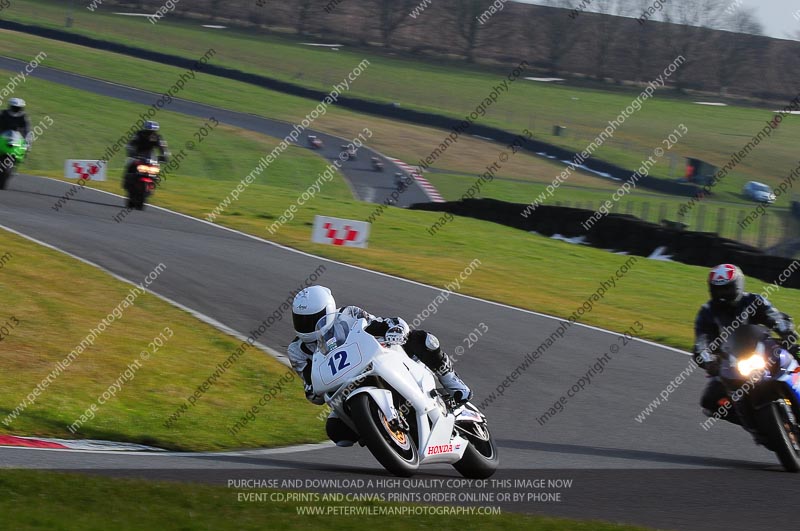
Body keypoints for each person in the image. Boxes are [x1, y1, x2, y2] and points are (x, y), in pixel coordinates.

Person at [288, 285, 472, 446]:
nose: (307, 325)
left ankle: (454, 384)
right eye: (301, 320)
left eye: (313, 319)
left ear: (328, 310)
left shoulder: (349, 314)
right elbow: (311, 389)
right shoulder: (297, 351)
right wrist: (314, 390)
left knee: (423, 340)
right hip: (344, 388)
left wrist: (395, 330)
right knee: (337, 431)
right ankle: (380, 430)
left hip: (375, 359)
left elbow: (383, 323)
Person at [694, 263, 798, 425]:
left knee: (796, 354)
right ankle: (755, 425)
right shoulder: (707, 312)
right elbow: (701, 342)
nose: (722, 293)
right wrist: (708, 360)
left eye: (727, 288)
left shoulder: (754, 300)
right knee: (710, 401)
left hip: (764, 351)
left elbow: (773, 316)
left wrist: (785, 330)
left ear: (738, 285)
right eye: (718, 289)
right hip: (730, 364)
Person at [123, 121, 169, 191]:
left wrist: (164, 156)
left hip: (150, 157)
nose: (150, 133)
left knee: (156, 168)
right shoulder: (138, 134)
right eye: (148, 131)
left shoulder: (158, 137)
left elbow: (163, 147)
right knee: (129, 162)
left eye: (153, 131)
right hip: (137, 155)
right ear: (145, 129)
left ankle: (152, 183)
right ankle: (126, 180)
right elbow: (130, 144)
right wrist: (131, 152)